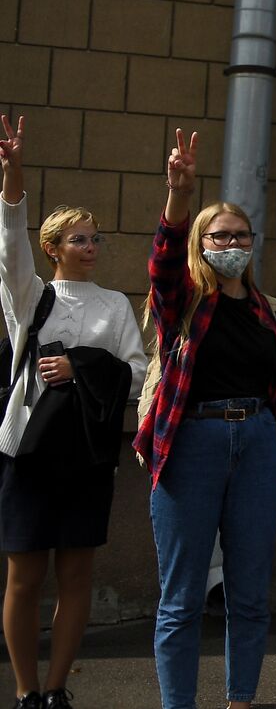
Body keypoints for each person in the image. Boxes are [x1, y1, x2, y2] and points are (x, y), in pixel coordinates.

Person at [133, 129, 276, 709]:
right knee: (181, 599)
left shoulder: (270, 312)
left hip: (258, 445)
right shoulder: (183, 302)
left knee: (250, 594)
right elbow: (161, 263)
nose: (231, 242)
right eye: (220, 235)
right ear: (201, 244)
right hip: (193, 444)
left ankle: (240, 701)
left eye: (240, 235)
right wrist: (179, 195)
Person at [0, 116, 146, 709]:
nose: (90, 248)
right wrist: (12, 179)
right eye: (79, 240)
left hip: (86, 457)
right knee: (24, 577)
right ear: (53, 248)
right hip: (28, 453)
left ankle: (58, 688)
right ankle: (26, 689)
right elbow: (10, 246)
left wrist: (81, 368)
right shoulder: (31, 298)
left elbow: (136, 374)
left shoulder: (115, 306)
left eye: (95, 239)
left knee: (77, 575)